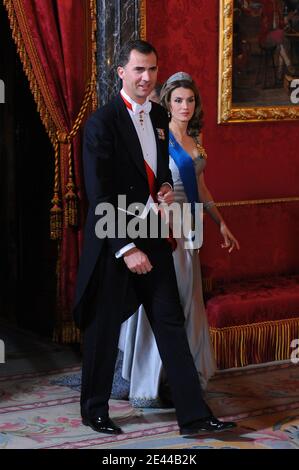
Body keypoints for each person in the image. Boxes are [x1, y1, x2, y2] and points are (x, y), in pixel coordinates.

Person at [73, 39, 236, 436]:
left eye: (152, 70)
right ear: (122, 73)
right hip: (117, 237)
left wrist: (163, 186)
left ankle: (194, 416)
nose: (146, 78)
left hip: (153, 232)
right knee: (104, 326)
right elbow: (99, 194)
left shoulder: (161, 117)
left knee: (170, 322)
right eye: (139, 70)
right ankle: (94, 410)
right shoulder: (101, 123)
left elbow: (159, 170)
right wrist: (126, 249)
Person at [118, 72, 240, 408]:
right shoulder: (157, 140)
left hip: (190, 231)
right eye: (178, 100)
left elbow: (202, 189)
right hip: (164, 228)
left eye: (190, 100)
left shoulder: (196, 141)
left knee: (187, 301)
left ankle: (179, 378)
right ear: (167, 104)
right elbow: (141, 186)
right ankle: (151, 381)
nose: (184, 106)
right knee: (163, 303)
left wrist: (221, 224)